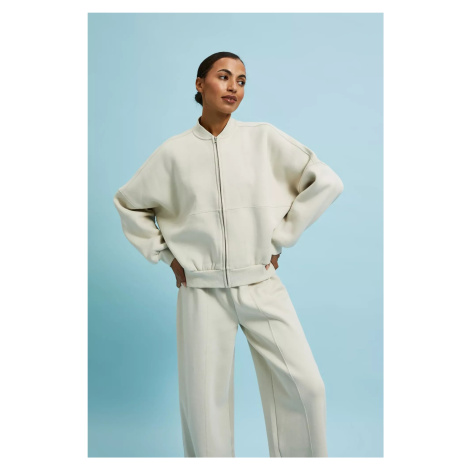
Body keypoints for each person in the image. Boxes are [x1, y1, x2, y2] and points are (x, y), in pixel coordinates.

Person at [113, 51, 344, 458]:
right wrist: (167, 256)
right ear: (199, 84)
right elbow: (129, 204)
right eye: (223, 76)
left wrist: (281, 237)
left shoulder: (264, 138)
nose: (234, 86)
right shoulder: (173, 153)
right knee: (205, 409)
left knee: (306, 388)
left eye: (241, 80)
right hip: (201, 293)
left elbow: (327, 182)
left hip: (259, 283)